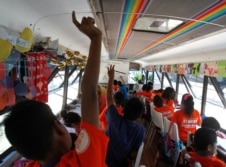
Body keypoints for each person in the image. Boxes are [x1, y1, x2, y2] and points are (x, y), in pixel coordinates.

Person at [3, 11, 108, 167]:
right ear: (58, 128)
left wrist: (96, 38)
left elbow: (89, 91)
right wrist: (95, 37)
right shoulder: (84, 162)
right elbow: (89, 91)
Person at [105, 65, 146, 167]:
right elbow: (133, 154)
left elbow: (109, 97)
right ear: (139, 116)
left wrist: (110, 78)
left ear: (124, 108)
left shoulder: (114, 119)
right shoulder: (141, 130)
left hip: (105, 161)